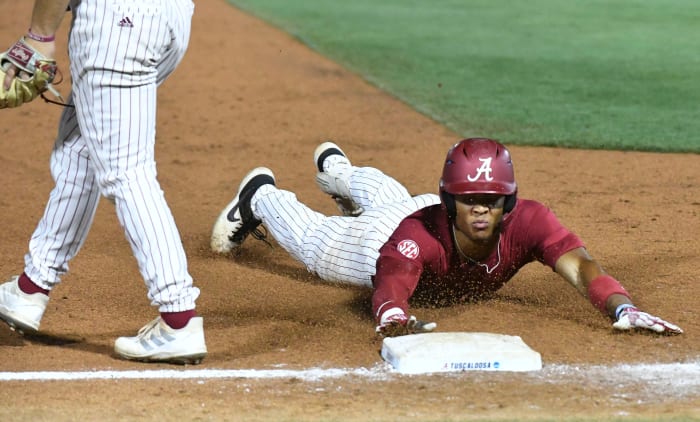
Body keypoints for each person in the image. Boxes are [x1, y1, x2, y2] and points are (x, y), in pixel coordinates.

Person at [211, 138, 683, 337]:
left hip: (415, 209)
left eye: (492, 199)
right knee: (316, 241)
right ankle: (260, 196)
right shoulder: (416, 238)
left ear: (510, 202)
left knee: (388, 194)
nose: (480, 208)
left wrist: (621, 305)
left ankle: (338, 170)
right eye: (469, 197)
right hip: (380, 241)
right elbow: (392, 283)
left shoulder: (529, 222)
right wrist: (395, 316)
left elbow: (580, 265)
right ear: (450, 198)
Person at [0, 0, 207, 364]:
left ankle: (177, 318)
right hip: (171, 17)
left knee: (127, 171)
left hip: (118, 24)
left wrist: (38, 37)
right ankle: (31, 288)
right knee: (80, 149)